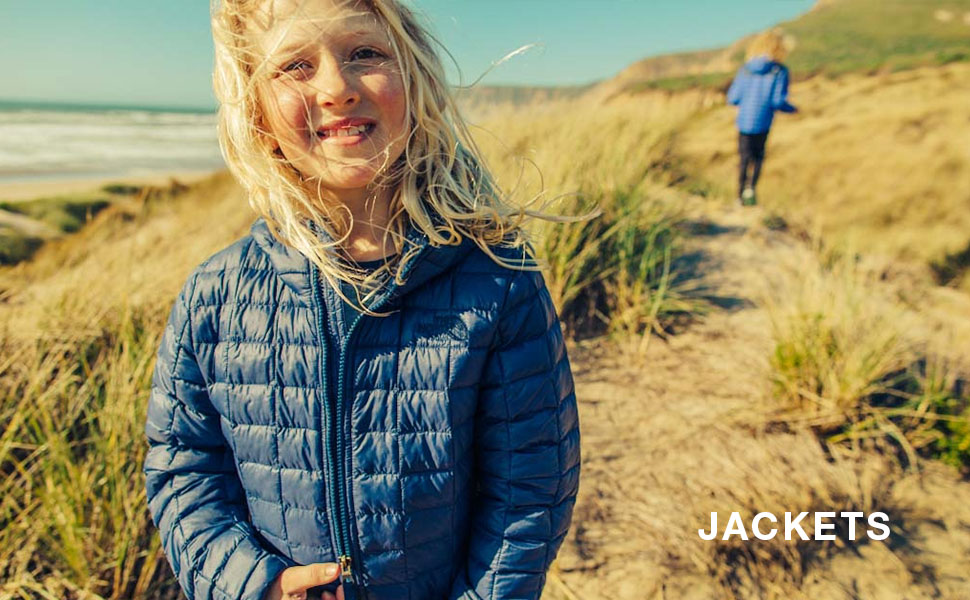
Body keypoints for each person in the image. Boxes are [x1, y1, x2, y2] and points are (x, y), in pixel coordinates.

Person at [142, 1, 580, 600]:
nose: (336, 88)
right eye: (295, 66)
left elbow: (531, 490)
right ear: (256, 109)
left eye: (365, 53)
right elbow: (183, 466)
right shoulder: (215, 295)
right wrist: (252, 584)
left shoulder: (497, 279)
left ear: (414, 74)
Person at [726, 31, 797, 206]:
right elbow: (777, 101)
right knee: (757, 158)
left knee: (744, 158)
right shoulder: (779, 71)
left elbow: (733, 98)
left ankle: (738, 197)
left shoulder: (745, 69)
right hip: (763, 121)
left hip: (744, 121)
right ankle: (750, 192)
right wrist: (793, 109)